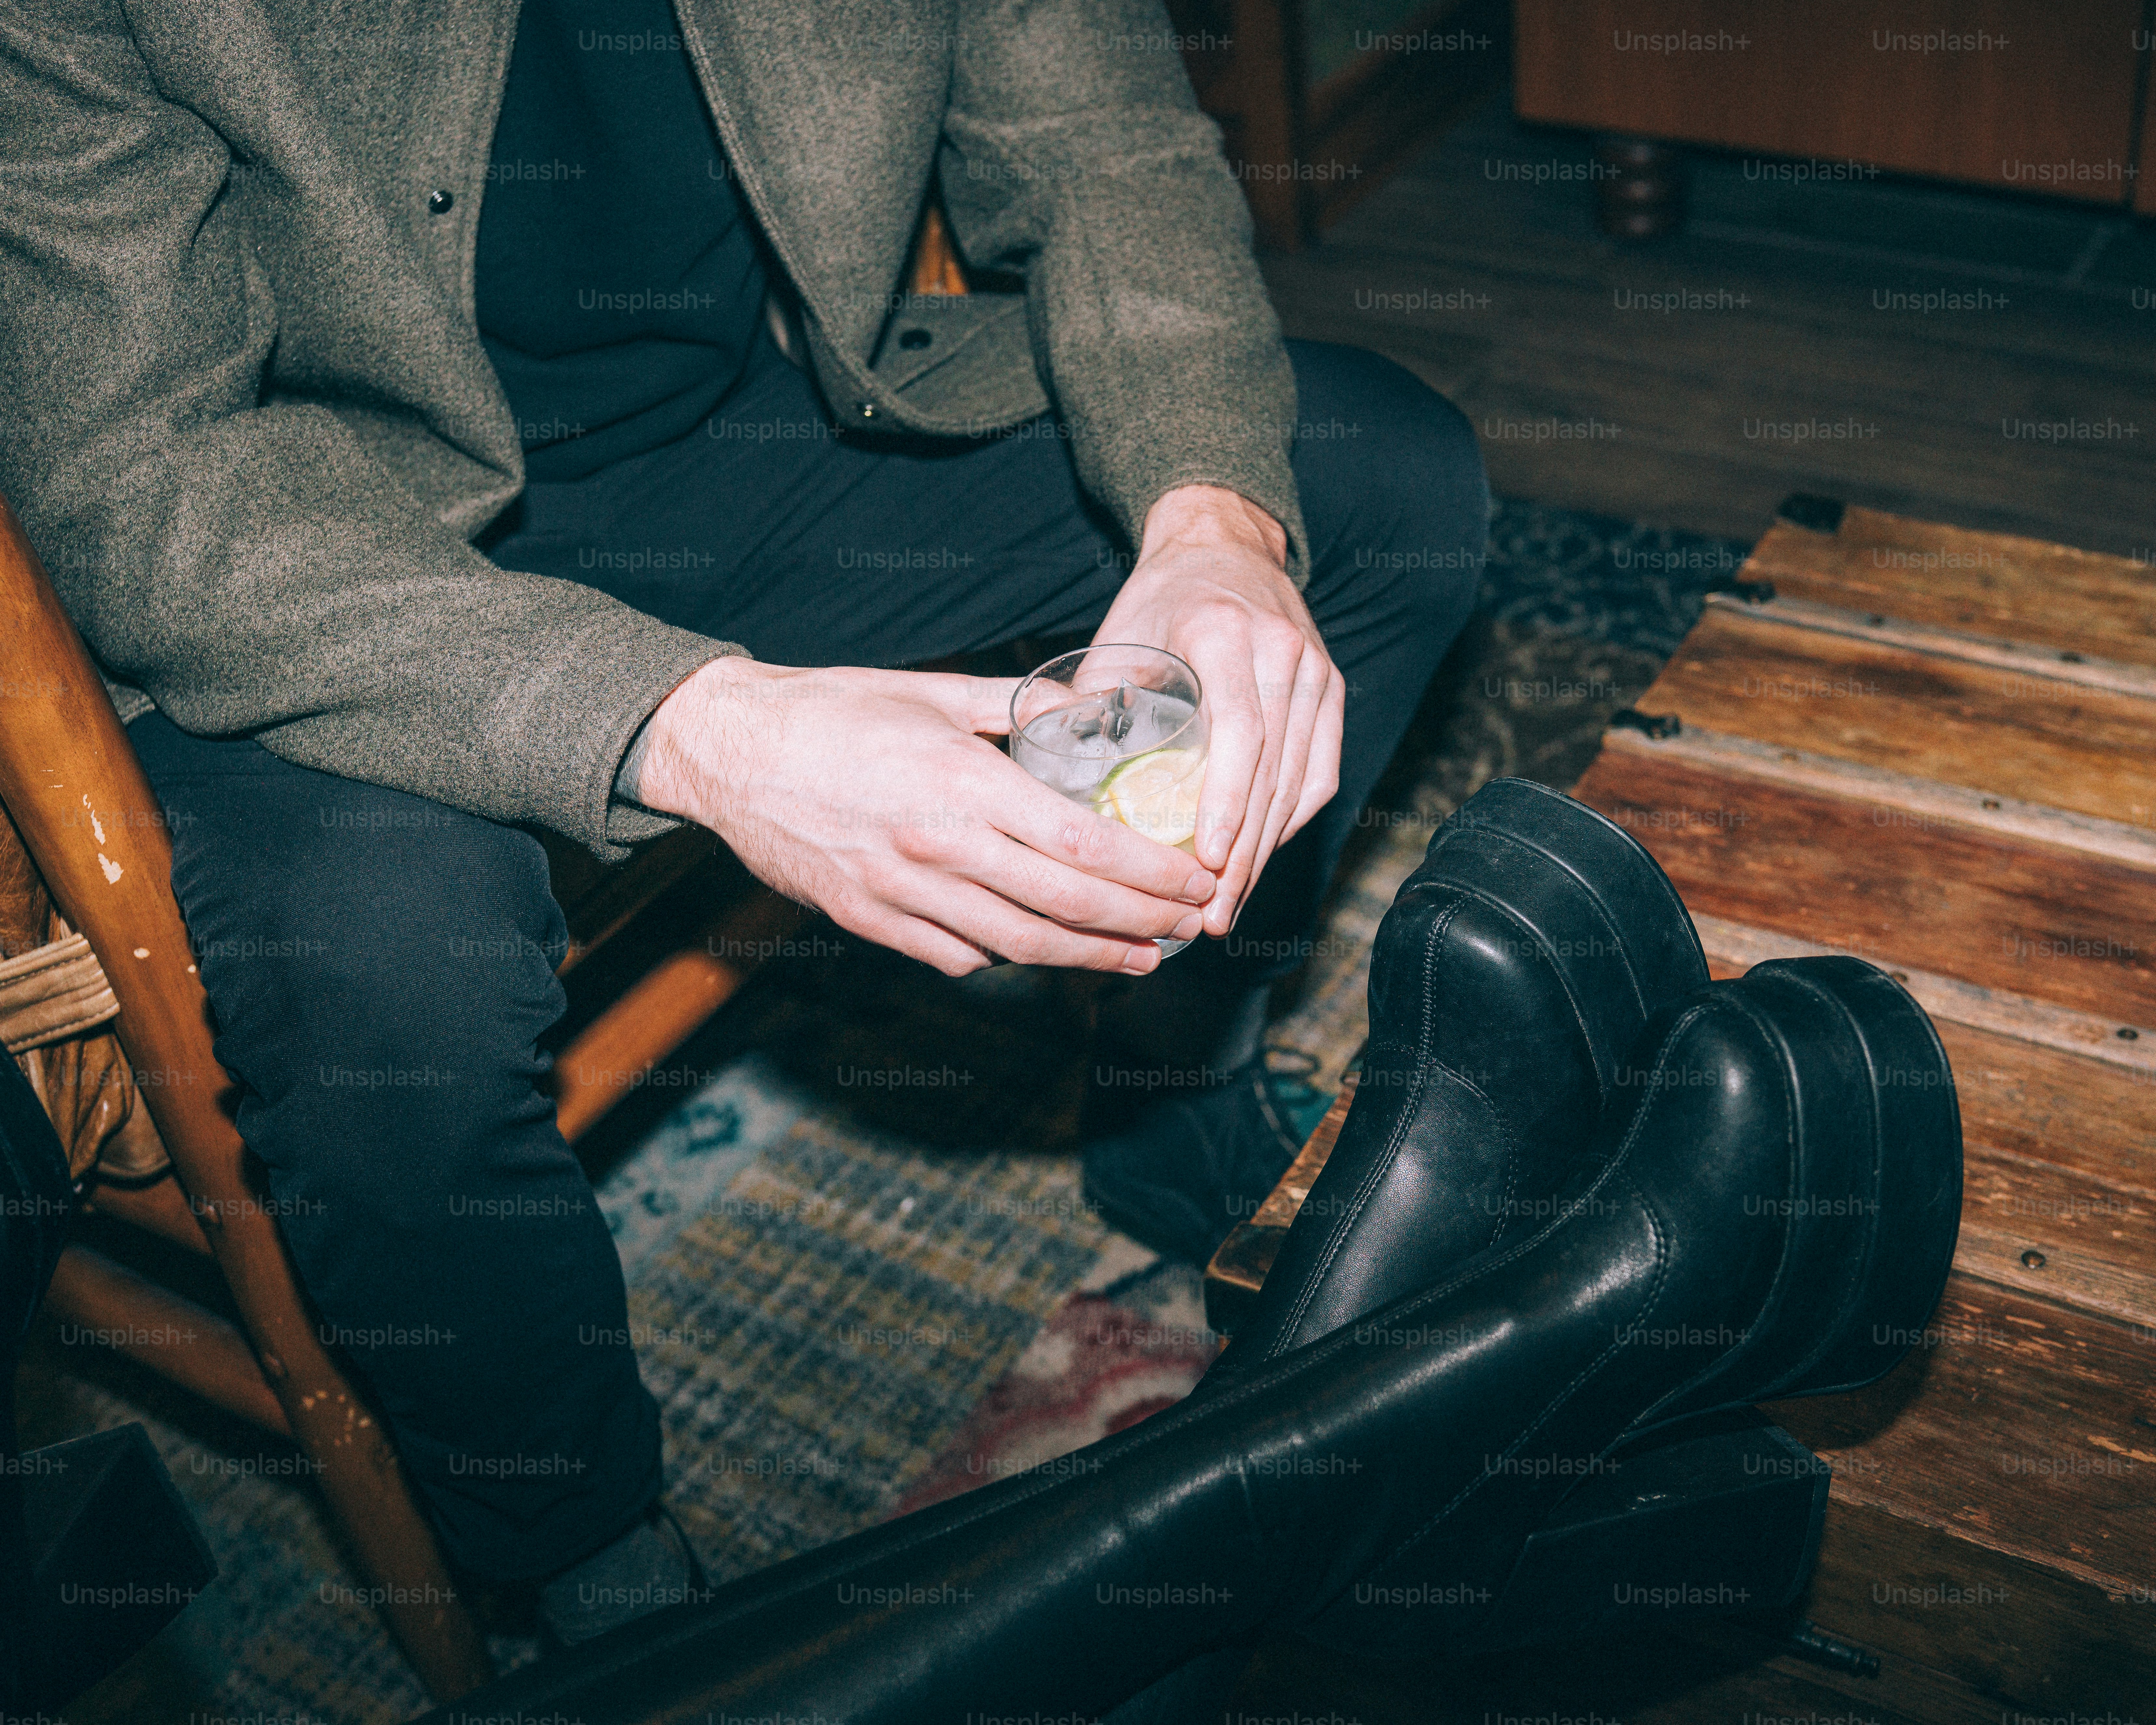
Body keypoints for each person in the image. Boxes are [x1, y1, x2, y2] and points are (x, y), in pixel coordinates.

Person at [0, 0, 1484, 1644]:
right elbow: (139, 470)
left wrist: (1211, 518)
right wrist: (701, 731)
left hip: (730, 440)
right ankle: (594, 1579)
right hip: (320, 558)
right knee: (381, 975)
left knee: (1373, 481)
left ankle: (1168, 1090)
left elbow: (1098, 142)